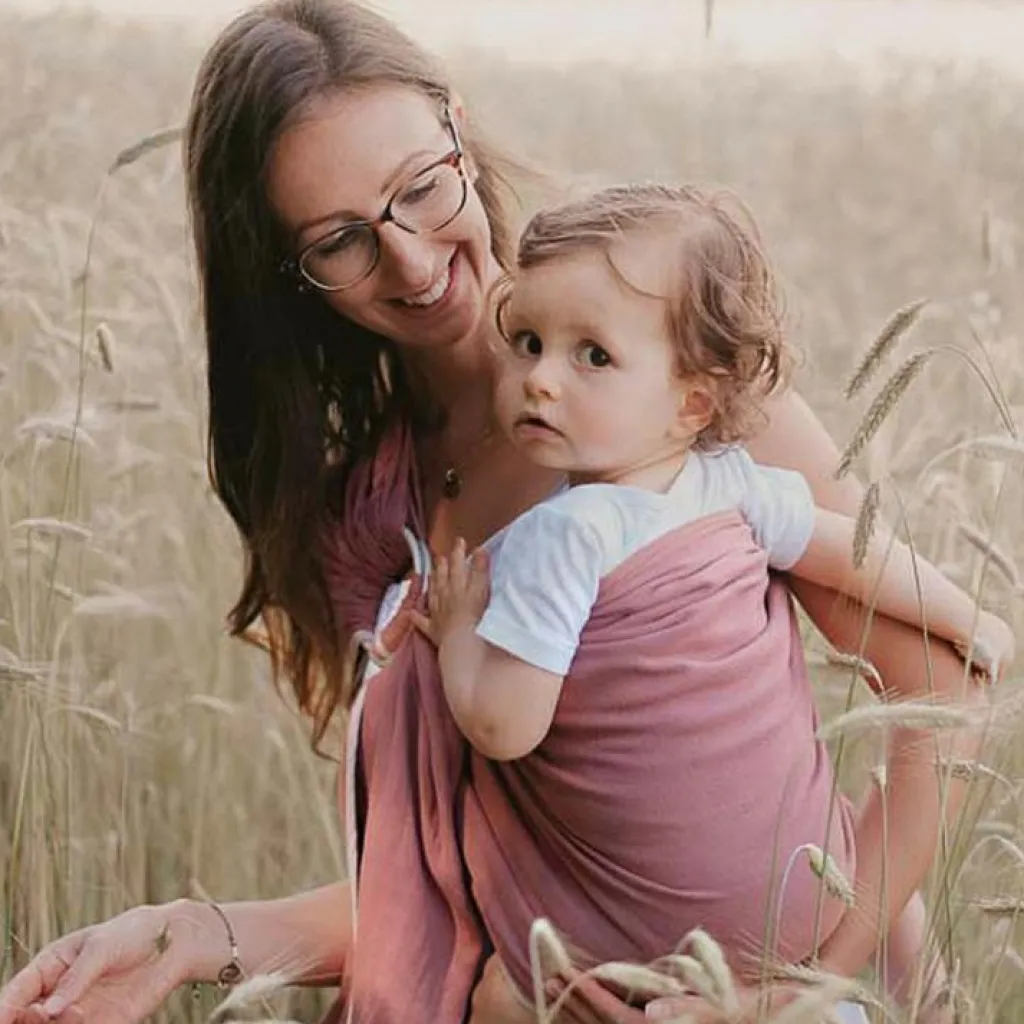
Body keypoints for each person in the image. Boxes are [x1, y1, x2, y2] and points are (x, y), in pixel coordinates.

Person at [0, 3, 998, 1023]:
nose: (415, 264)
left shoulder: (685, 408)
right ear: (286, 273)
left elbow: (948, 694)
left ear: (458, 131)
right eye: (341, 240)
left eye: (422, 189)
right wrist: (186, 933)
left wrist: (791, 988)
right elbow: (425, 898)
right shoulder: (366, 517)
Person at [413, 183, 1011, 1020]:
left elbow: (505, 725)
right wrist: (969, 620)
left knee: (502, 997)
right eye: (526, 341)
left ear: (693, 400)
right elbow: (859, 557)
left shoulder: (565, 534)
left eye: (592, 356)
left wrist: (458, 634)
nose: (540, 379)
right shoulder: (733, 486)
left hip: (664, 958)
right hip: (810, 915)